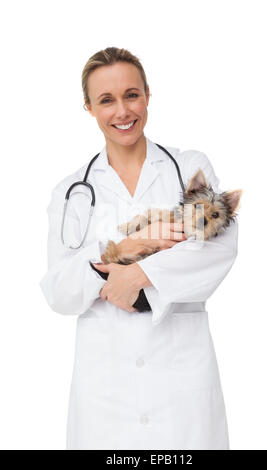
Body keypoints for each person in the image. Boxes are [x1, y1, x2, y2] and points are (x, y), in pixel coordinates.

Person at [39, 47, 239, 450]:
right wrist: (128, 245)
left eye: (132, 94)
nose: (122, 111)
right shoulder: (72, 192)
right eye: (106, 100)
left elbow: (220, 246)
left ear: (148, 94)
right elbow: (59, 290)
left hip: (180, 381)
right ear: (89, 107)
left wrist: (138, 274)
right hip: (106, 388)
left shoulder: (188, 167)